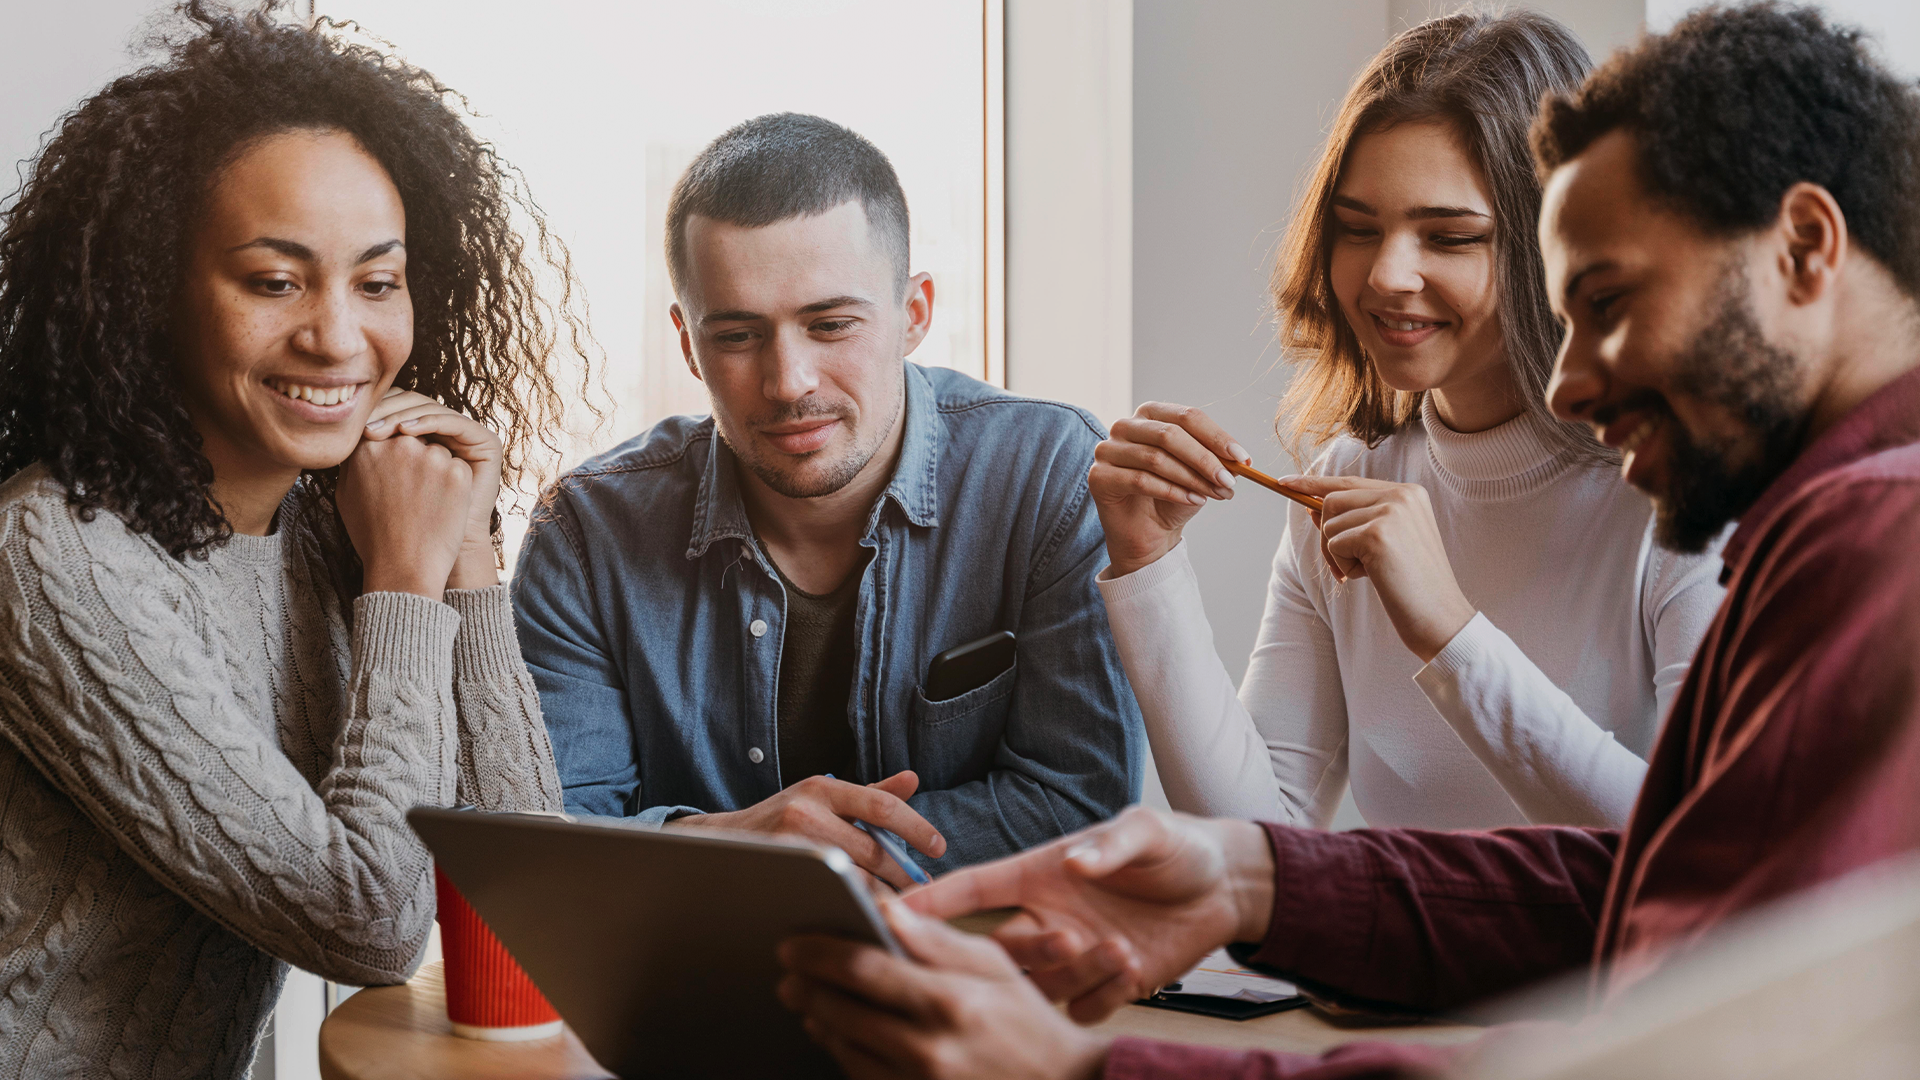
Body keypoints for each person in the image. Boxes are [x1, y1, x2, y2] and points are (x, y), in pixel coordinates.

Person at [775, 5, 1920, 1076]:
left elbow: (1687, 1022)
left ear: (1808, 247)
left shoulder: (1857, 531)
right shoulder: (1798, 514)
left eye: (1608, 302)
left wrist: (1092, 1065)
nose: (1573, 376)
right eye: (1358, 229)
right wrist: (1253, 877)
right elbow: (1651, 886)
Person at [0, 5, 585, 1077]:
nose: (335, 335)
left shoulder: (333, 516)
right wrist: (404, 580)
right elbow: (365, 926)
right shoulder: (54, 554)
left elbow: (523, 887)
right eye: (274, 281)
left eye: (377, 281)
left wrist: (464, 557)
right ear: (149, 291)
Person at [1089, 10, 1725, 830]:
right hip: (1401, 962)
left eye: (1449, 237)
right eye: (1358, 229)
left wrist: (1451, 631)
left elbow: (1696, 853)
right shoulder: (1343, 483)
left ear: (1556, 248)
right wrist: (1149, 566)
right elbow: (1259, 838)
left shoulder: (1683, 498)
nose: (1387, 274)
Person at [511, 113, 1143, 882]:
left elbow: (1081, 806)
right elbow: (556, 834)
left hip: (977, 979)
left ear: (915, 313)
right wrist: (742, 842)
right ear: (687, 342)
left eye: (831, 324)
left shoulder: (1047, 473)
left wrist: (798, 852)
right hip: (681, 987)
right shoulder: (587, 531)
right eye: (738, 337)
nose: (789, 382)